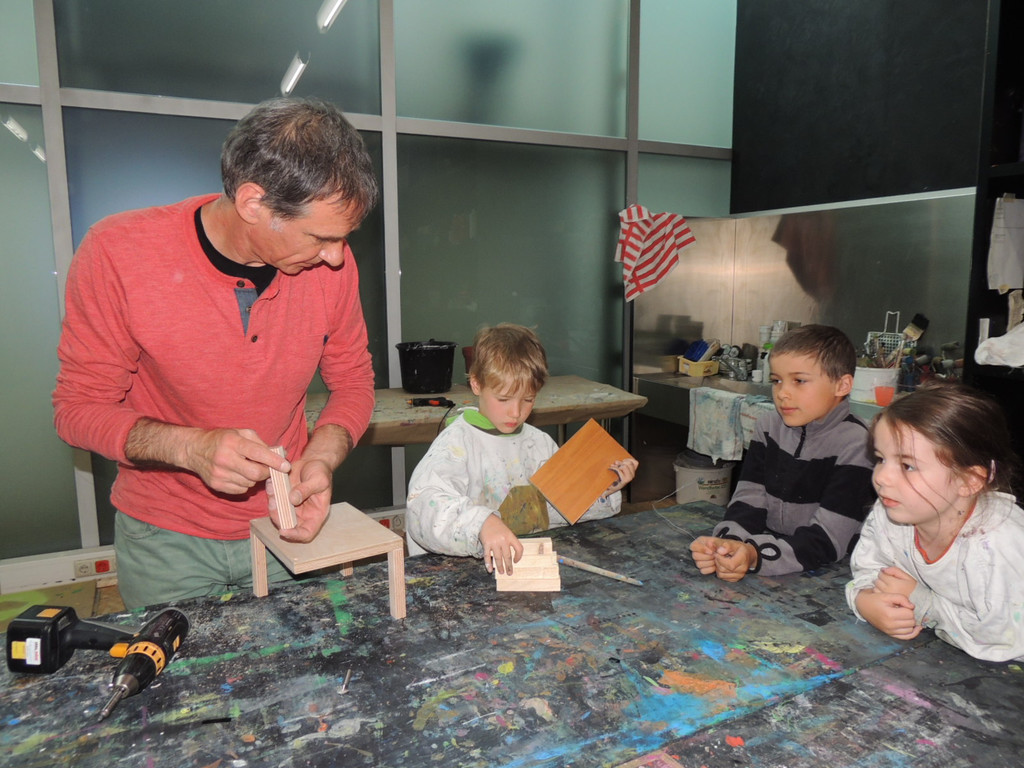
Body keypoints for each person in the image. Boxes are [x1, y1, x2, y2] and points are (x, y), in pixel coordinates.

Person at [52, 97, 379, 608]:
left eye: (343, 239)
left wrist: (321, 457)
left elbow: (354, 383)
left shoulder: (330, 266)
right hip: (165, 540)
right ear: (252, 203)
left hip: (286, 524)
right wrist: (190, 448)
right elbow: (77, 410)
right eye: (321, 237)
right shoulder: (118, 252)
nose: (337, 257)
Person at [406, 323, 638, 574]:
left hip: (525, 569)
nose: (516, 412)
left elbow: (561, 508)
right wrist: (481, 524)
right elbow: (423, 508)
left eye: (528, 399)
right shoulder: (456, 445)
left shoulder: (539, 444)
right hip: (463, 575)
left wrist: (602, 488)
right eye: (503, 399)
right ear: (476, 384)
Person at [846, 383, 1024, 662]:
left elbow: (1005, 640)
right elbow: (869, 568)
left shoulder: (998, 545)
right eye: (881, 459)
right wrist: (864, 600)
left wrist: (925, 605)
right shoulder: (893, 510)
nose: (881, 477)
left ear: (969, 480)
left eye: (907, 465)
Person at [690, 324, 875, 582]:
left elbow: (829, 539)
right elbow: (749, 497)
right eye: (777, 381)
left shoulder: (858, 444)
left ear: (842, 385)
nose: (782, 393)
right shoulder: (769, 425)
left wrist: (753, 555)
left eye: (799, 381)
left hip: (834, 574)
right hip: (774, 556)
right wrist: (727, 545)